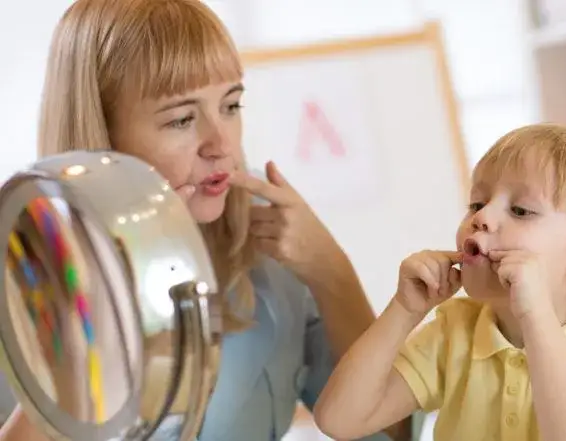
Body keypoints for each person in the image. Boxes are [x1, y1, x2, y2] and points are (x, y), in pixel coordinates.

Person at [0, 0, 408, 440]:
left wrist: (330, 270)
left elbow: (389, 433)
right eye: (181, 119)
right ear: (103, 136)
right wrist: (84, 325)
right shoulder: (21, 267)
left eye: (231, 106)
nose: (221, 145)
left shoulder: (270, 235)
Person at [313, 123, 566, 441]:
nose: (482, 217)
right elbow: (339, 420)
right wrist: (404, 310)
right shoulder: (456, 329)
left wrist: (535, 315)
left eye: (521, 210)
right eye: (476, 203)